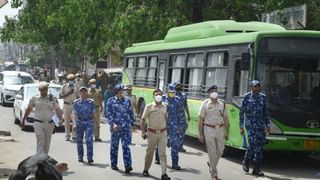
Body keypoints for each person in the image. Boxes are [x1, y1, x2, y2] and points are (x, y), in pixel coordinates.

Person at [20, 81, 63, 154]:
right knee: (41, 142)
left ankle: (44, 159)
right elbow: (29, 109)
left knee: (47, 143)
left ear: (47, 89)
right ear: (39, 90)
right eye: (42, 90)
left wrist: (60, 119)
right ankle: (39, 160)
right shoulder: (34, 98)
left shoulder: (52, 98)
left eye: (45, 89)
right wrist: (23, 119)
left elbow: (57, 109)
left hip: (50, 124)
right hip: (38, 123)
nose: (44, 91)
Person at [198, 85, 230, 180]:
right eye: (212, 91)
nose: (214, 93)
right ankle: (214, 174)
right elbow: (200, 121)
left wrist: (227, 133)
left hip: (220, 129)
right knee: (212, 152)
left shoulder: (222, 104)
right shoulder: (205, 104)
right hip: (208, 129)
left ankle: (211, 164)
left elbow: (226, 119)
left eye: (215, 91)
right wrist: (200, 134)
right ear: (209, 94)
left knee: (220, 151)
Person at [240, 80, 270, 176]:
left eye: (258, 86)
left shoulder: (263, 97)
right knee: (253, 145)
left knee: (260, 147)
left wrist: (267, 125)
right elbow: (241, 113)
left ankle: (255, 167)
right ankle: (248, 161)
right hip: (250, 125)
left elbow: (265, 113)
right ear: (251, 87)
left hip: (261, 126)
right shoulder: (247, 97)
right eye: (255, 86)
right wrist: (241, 126)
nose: (257, 88)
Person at [141, 89, 171, 180]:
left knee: (162, 153)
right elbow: (143, 120)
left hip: (162, 133)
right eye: (156, 94)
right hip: (151, 133)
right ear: (153, 96)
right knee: (149, 153)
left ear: (162, 96)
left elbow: (167, 119)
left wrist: (168, 133)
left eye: (160, 94)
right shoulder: (149, 106)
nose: (158, 96)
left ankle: (164, 174)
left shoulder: (165, 106)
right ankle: (146, 169)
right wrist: (143, 132)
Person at [106, 84, 134, 173]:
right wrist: (112, 124)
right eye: (123, 90)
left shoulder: (127, 101)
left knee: (126, 146)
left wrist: (132, 124)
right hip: (116, 128)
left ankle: (128, 165)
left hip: (125, 127)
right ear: (118, 91)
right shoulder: (111, 101)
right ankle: (114, 164)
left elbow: (130, 112)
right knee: (114, 147)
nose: (125, 91)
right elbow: (108, 114)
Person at [73, 86, 97, 164]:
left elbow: (93, 113)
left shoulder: (91, 102)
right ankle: (80, 157)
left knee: (89, 140)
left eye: (85, 91)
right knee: (79, 140)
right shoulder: (76, 102)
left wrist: (97, 123)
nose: (83, 93)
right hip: (80, 122)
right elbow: (75, 113)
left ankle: (90, 157)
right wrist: (74, 124)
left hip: (89, 122)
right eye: (82, 92)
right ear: (79, 93)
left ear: (87, 93)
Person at [164, 84, 182, 170]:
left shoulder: (177, 100)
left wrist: (179, 126)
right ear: (167, 91)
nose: (172, 94)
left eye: (173, 92)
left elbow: (179, 114)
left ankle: (175, 164)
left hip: (174, 125)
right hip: (163, 126)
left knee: (175, 145)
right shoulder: (162, 99)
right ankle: (158, 158)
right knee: (161, 144)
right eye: (170, 92)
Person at [59, 74, 79, 141]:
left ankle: (74, 135)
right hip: (66, 105)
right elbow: (60, 96)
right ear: (68, 80)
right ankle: (67, 135)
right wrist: (69, 93)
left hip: (74, 105)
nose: (71, 81)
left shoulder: (76, 87)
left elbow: (79, 97)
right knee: (66, 121)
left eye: (72, 80)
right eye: (70, 80)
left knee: (74, 121)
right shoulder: (64, 86)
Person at [174, 82, 191, 152]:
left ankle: (180, 146)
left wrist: (188, 115)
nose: (179, 87)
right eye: (177, 86)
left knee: (182, 131)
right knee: (175, 131)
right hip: (174, 116)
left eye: (180, 86)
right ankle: (174, 145)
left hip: (182, 116)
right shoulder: (172, 95)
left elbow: (186, 105)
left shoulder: (184, 95)